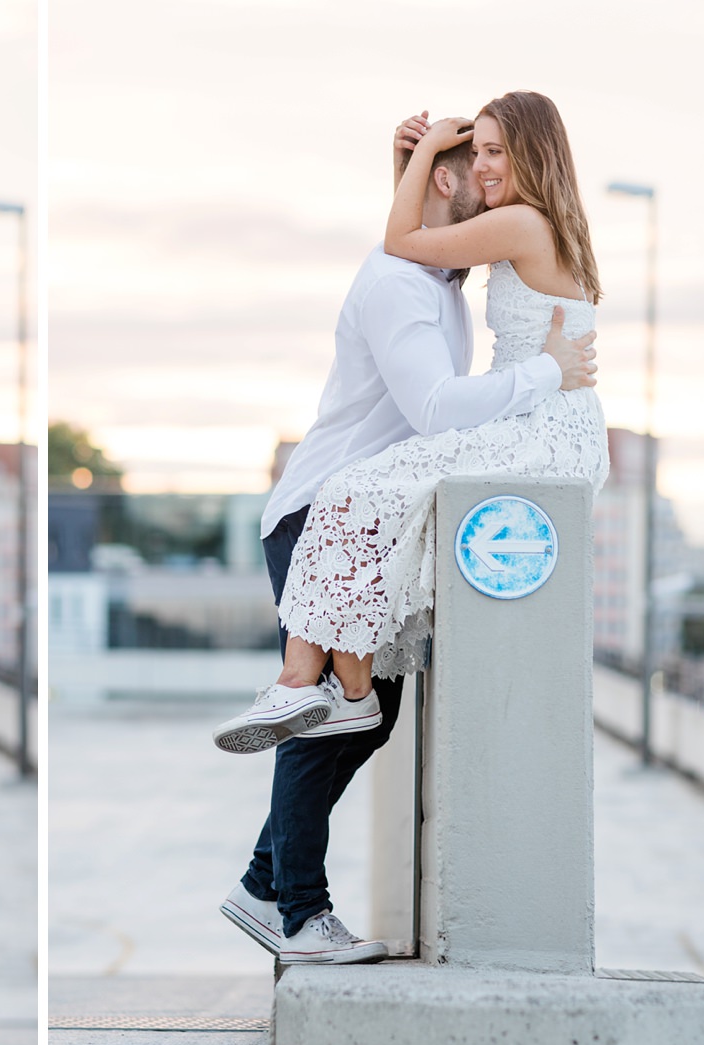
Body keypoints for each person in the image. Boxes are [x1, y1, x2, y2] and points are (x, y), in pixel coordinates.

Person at [213, 93, 605, 965]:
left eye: (499, 156)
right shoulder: (403, 280)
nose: (490, 176)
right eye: (479, 162)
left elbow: (429, 236)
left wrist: (415, 168)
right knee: (333, 719)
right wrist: (548, 370)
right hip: (321, 515)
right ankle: (292, 904)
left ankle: (263, 882)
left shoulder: (451, 274)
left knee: (369, 717)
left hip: (381, 509)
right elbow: (433, 403)